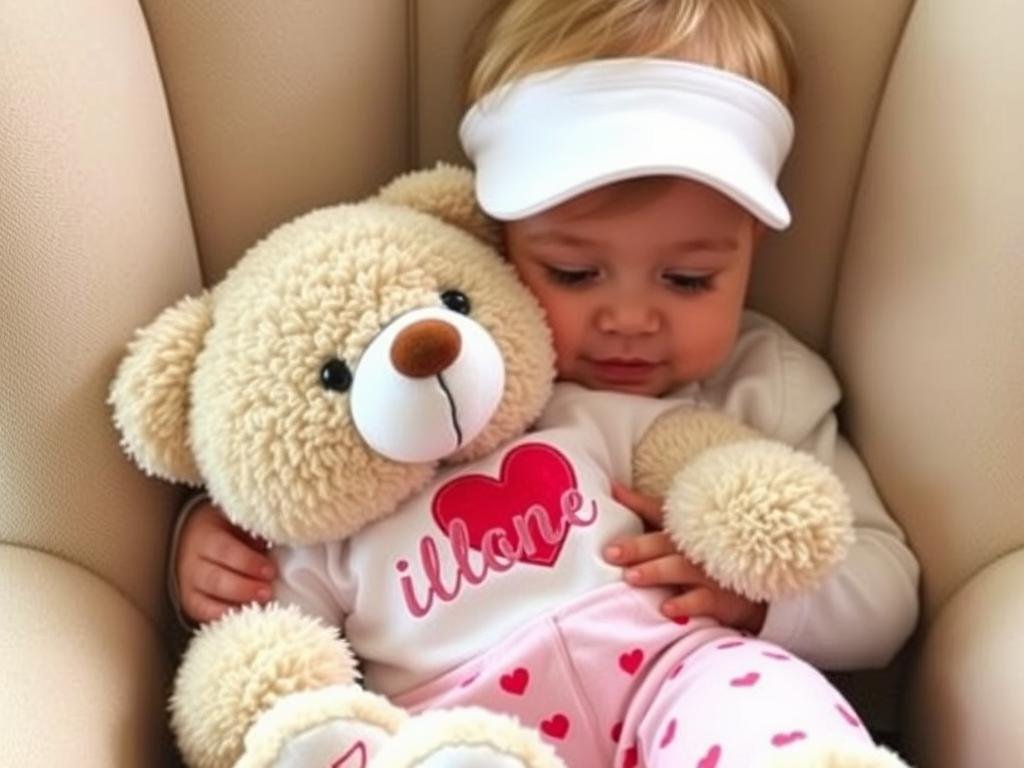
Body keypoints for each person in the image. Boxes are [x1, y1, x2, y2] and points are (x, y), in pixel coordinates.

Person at [169, 0, 919, 764]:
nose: (630, 319)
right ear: (497, 235)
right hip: (460, 729)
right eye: (574, 272)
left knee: (758, 705)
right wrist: (212, 542)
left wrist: (760, 601)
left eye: (689, 279)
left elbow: (884, 587)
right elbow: (300, 487)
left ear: (751, 242)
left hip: (685, 699)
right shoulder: (454, 364)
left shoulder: (761, 383)